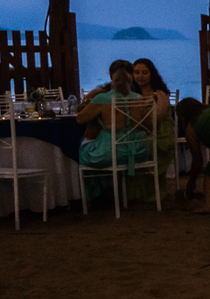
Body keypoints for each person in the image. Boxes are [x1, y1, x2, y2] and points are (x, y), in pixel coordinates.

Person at [75, 66, 151, 200]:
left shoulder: (102, 98)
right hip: (139, 151)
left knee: (82, 149)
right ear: (131, 80)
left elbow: (80, 119)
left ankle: (92, 195)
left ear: (112, 81)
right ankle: (109, 191)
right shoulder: (139, 98)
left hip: (111, 152)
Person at [127, 58, 175, 201]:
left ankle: (146, 193)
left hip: (161, 134)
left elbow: (155, 122)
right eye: (136, 72)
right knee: (125, 144)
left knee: (136, 146)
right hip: (141, 132)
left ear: (151, 74)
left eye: (144, 72)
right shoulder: (131, 94)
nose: (140, 76)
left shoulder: (159, 94)